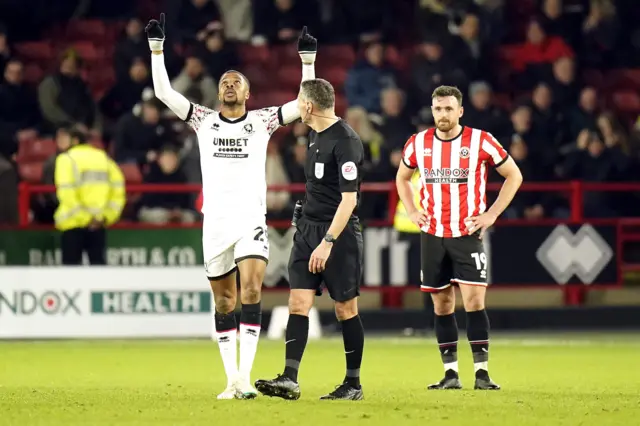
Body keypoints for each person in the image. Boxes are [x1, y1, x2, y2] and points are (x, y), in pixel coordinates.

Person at [145, 14, 317, 399]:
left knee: (252, 290)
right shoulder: (203, 121)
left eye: (235, 82)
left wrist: (308, 59)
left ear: (247, 93)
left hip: (250, 219)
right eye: (224, 82)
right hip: (216, 223)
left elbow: (304, 102)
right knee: (225, 300)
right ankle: (232, 380)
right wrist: (157, 49)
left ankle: (246, 373)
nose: (228, 85)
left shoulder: (262, 121)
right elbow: (163, 93)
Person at [395, 86, 523, 391]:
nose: (443, 115)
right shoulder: (418, 143)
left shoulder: (481, 140)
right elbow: (401, 177)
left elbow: (513, 175)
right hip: (433, 234)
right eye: (438, 109)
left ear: (460, 111)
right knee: (441, 304)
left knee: (475, 301)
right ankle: (450, 374)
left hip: (467, 233)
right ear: (432, 110)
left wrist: (491, 214)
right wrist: (412, 210)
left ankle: (482, 373)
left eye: (449, 109)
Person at [255, 79, 365, 401]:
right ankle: (289, 379)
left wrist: (328, 241)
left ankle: (353, 384)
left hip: (338, 235)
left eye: (299, 102)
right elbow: (317, 187)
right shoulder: (314, 135)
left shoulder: (345, 140)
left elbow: (349, 200)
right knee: (297, 303)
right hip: (307, 232)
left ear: (308, 106)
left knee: (345, 309)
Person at [54, 125, 125, 265]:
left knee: (70, 276)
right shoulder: (104, 158)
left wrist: (84, 218)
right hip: (98, 224)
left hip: (73, 224)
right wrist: (106, 217)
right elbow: (118, 190)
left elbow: (66, 192)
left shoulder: (66, 159)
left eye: (63, 138)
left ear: (74, 140)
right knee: (98, 274)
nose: (58, 142)